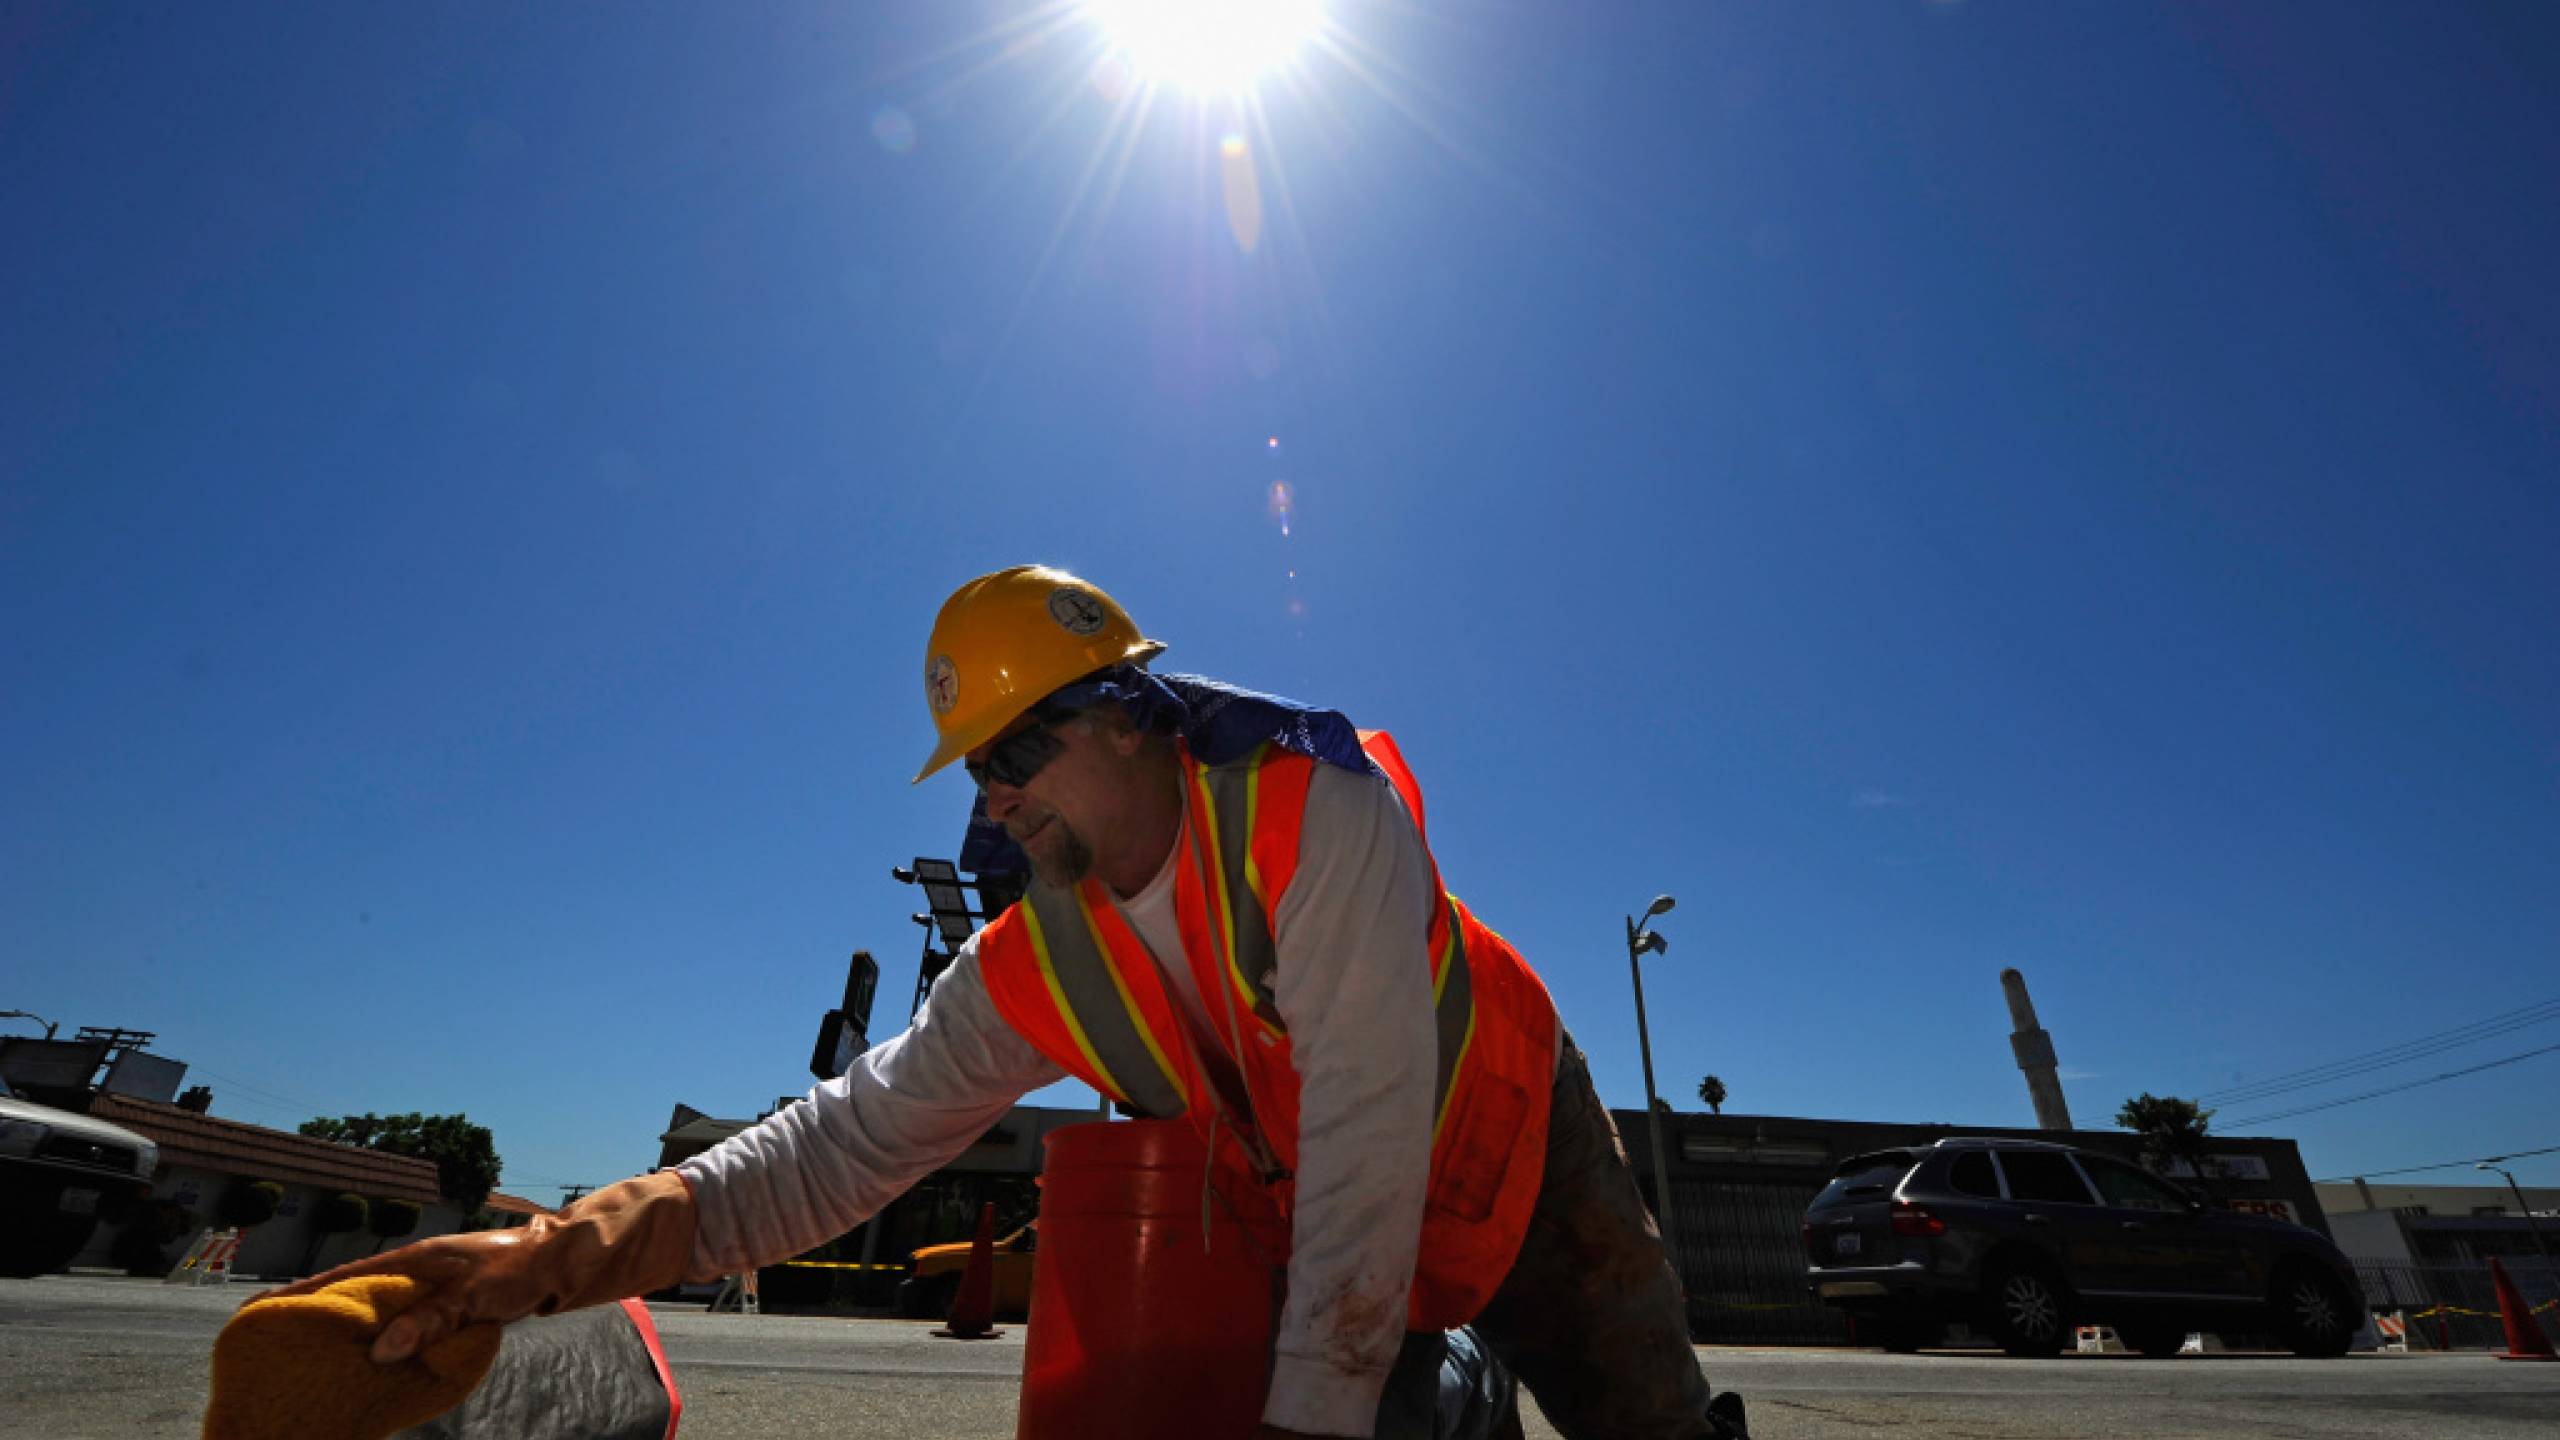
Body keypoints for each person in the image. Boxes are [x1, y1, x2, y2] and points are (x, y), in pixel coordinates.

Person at [276, 565, 1747, 1440]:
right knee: (1382, 1400)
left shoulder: (1316, 816)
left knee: (1639, 1418)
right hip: (1337, 1229)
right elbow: (843, 1147)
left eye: (1018, 748)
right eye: (977, 768)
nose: (995, 794)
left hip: (1502, 1134)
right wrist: (574, 1246)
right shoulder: (1037, 957)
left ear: (1129, 715)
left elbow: (1370, 1136)